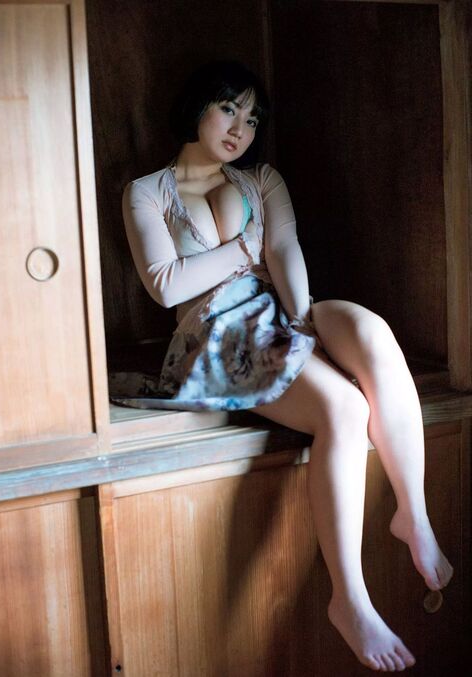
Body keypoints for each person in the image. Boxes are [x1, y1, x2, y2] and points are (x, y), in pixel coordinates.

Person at [119, 60, 453, 671]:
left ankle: (414, 514)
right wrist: (241, 252)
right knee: (344, 407)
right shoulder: (147, 191)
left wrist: (304, 327)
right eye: (229, 109)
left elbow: (282, 248)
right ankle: (349, 599)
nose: (240, 129)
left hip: (279, 310)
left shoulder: (261, 179)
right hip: (215, 331)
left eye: (252, 119)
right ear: (197, 107)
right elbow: (167, 286)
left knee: (371, 331)